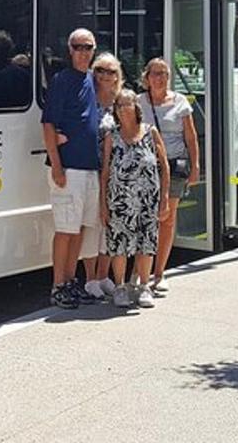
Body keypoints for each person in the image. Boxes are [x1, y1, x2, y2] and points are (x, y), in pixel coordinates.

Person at [41, 29, 101, 309]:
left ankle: (70, 282)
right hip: (68, 168)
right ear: (69, 49)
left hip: (89, 167)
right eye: (78, 47)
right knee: (65, 229)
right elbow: (48, 124)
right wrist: (56, 164)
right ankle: (57, 286)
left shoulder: (92, 79)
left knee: (79, 229)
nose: (83, 52)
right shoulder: (61, 81)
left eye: (88, 47)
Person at [99, 89, 170, 309]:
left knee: (146, 242)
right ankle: (120, 287)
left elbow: (164, 166)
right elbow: (105, 172)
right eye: (118, 106)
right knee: (119, 244)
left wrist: (165, 198)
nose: (122, 109)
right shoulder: (113, 137)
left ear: (136, 107)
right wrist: (103, 203)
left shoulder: (150, 133)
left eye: (126, 104)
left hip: (148, 199)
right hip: (120, 200)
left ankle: (144, 287)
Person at [138, 58, 201, 294]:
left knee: (167, 218)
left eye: (164, 73)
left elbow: (191, 137)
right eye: (155, 73)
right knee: (146, 219)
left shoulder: (180, 102)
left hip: (173, 167)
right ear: (147, 77)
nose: (160, 78)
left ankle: (160, 273)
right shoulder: (138, 102)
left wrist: (195, 167)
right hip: (146, 167)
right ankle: (140, 272)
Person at [81, 53, 124, 302]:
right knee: (92, 224)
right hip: (92, 168)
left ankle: (104, 275)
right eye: (100, 70)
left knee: (110, 225)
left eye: (110, 71)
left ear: (118, 76)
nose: (105, 76)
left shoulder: (121, 101)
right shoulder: (86, 99)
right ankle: (90, 279)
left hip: (117, 173)